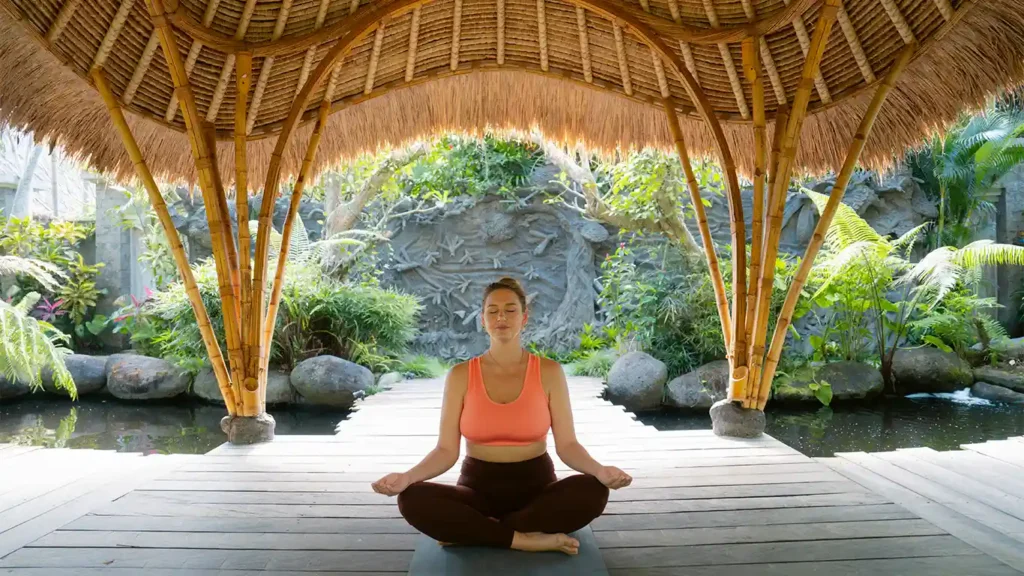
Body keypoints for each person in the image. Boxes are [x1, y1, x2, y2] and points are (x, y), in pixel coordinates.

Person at [371, 276, 632, 555]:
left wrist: (599, 471)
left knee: (593, 490)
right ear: (482, 320)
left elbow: (567, 445)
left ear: (524, 318)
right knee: (411, 498)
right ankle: (525, 539)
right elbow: (446, 450)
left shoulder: (549, 372)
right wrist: (407, 477)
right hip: (476, 491)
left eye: (510, 310)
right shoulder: (460, 375)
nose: (501, 317)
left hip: (537, 492)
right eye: (492, 311)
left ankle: (479, 531)